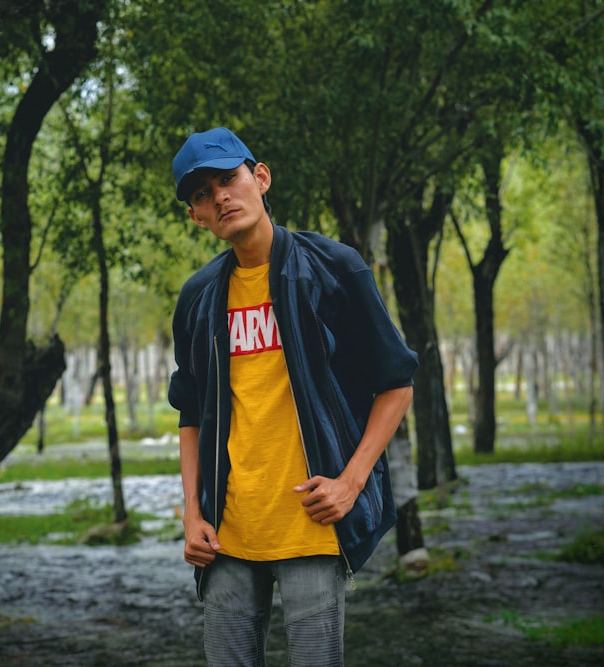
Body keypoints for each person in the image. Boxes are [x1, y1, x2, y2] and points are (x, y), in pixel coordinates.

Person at [167, 126, 418, 666]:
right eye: (202, 194)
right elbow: (190, 411)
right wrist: (192, 513)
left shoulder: (333, 269)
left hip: (311, 525)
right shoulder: (197, 299)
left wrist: (351, 484)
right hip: (226, 533)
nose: (221, 197)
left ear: (260, 178)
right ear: (198, 217)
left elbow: (396, 382)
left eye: (229, 180)